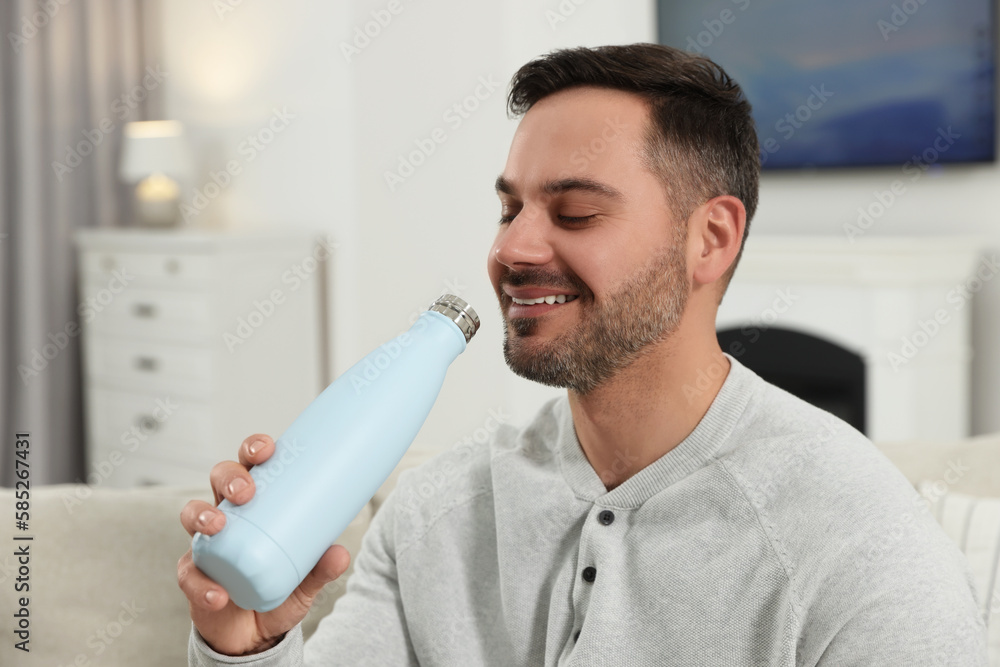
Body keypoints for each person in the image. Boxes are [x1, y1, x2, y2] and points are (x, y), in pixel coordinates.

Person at [180, 43, 989, 665]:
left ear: (710, 238)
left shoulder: (859, 541)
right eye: (509, 208)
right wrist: (244, 644)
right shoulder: (435, 514)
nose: (513, 248)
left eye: (572, 212)